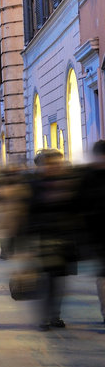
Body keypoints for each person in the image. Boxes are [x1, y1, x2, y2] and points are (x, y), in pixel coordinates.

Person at [23, 149, 81, 331]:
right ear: (42, 166)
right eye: (52, 163)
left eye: (58, 163)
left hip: (63, 238)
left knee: (59, 280)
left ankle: (54, 314)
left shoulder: (67, 183)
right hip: (43, 238)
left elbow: (76, 209)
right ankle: (45, 317)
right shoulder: (34, 185)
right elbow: (28, 214)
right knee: (46, 279)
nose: (56, 167)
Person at [77, 140, 105, 324]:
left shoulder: (86, 177)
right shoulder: (87, 178)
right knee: (103, 278)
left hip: (96, 235)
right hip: (99, 236)